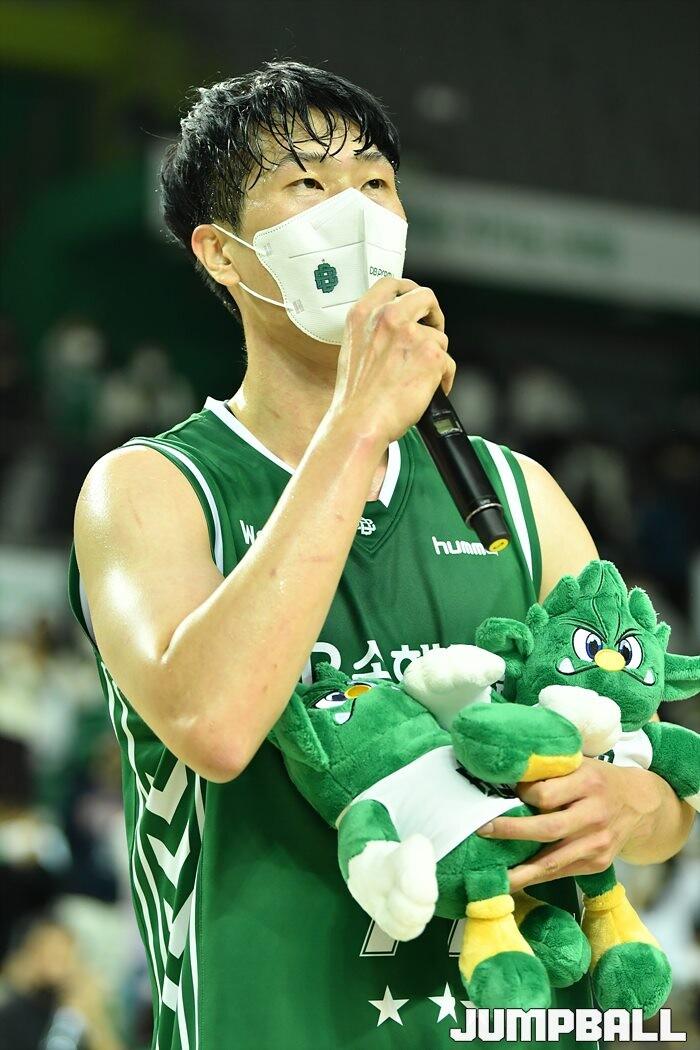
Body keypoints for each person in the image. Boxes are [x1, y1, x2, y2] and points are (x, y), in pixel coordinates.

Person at [69, 62, 694, 1049]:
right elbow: (215, 726)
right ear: (222, 253)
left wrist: (631, 805)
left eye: (374, 182)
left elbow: (662, 779)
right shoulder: (149, 490)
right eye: (306, 184)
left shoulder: (520, 494)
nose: (353, 212)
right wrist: (357, 425)